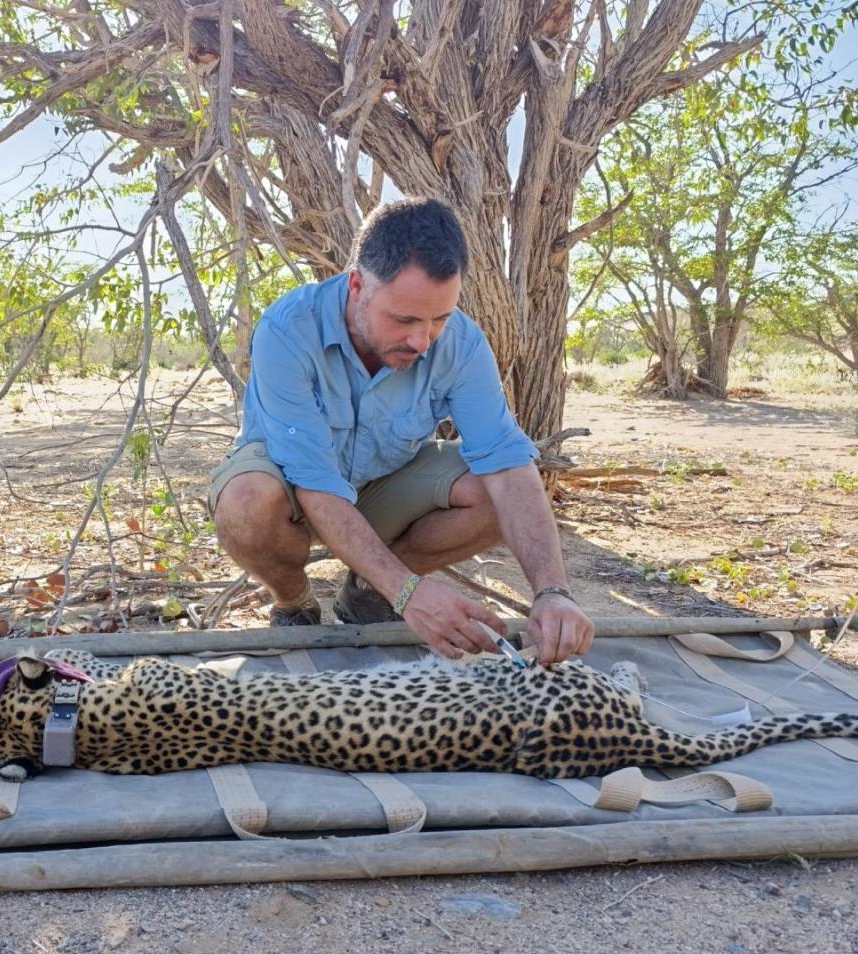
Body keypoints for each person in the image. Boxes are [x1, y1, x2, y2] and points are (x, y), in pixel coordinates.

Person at [206, 197, 595, 665]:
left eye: (440, 318)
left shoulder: (461, 344)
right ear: (356, 285)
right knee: (246, 502)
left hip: (382, 484)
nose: (422, 340)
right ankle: (295, 604)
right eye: (405, 319)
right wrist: (410, 593)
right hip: (290, 487)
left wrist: (554, 591)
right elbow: (315, 483)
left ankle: (369, 593)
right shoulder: (287, 331)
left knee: (501, 492)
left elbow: (508, 467)